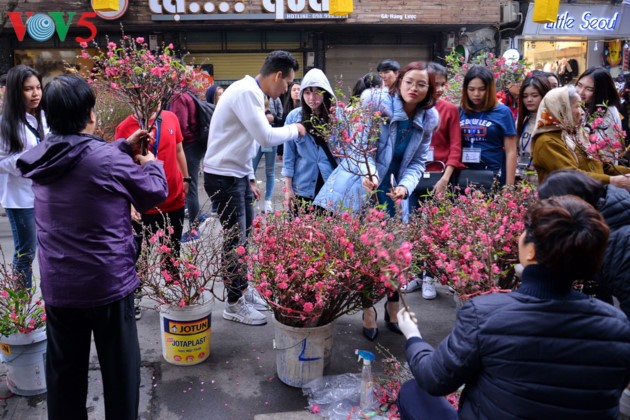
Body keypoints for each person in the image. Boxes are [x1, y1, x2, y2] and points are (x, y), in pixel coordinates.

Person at [396, 195, 630, 419]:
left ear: (531, 251)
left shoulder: (486, 313)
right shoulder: (617, 326)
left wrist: (413, 336)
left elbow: (434, 379)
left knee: (412, 392)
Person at [16, 74, 168, 420]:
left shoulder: (42, 156)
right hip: (107, 285)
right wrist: (150, 163)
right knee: (120, 375)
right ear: (90, 114)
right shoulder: (105, 159)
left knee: (64, 377)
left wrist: (121, 147)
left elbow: (81, 157)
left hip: (59, 286)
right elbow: (154, 193)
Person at [315, 61, 439, 340]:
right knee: (367, 252)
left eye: (422, 84)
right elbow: (362, 149)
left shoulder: (427, 120)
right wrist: (370, 174)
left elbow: (418, 162)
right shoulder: (378, 107)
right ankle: (368, 308)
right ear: (399, 83)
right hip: (364, 186)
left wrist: (406, 187)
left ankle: (392, 307)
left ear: (429, 90)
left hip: (393, 192)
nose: (414, 88)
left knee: (393, 252)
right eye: (409, 82)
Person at [203, 50, 306, 325]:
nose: (285, 89)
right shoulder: (247, 92)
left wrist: (249, 177)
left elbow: (245, 141)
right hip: (224, 178)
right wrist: (295, 129)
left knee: (244, 239)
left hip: (235, 175)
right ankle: (234, 303)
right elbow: (265, 137)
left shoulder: (250, 91)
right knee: (235, 242)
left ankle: (244, 292)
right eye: (287, 84)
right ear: (277, 75)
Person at [116, 109, 189, 319]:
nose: (153, 96)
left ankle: (173, 291)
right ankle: (135, 297)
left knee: (172, 250)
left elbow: (179, 150)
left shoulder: (171, 117)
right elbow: (120, 169)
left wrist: (186, 178)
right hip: (143, 203)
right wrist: (129, 202)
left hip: (173, 198)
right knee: (139, 254)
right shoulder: (125, 127)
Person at [404, 62, 464, 300]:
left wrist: (446, 179)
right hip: (414, 178)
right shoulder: (414, 108)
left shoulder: (449, 110)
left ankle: (431, 276)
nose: (438, 89)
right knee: (415, 228)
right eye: (434, 84)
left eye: (441, 84)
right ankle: (417, 275)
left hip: (439, 177)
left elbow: (455, 147)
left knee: (436, 229)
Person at [0, 65, 48, 288]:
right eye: (29, 89)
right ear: (16, 92)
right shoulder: (6, 123)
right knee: (25, 253)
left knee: (43, 251)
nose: (36, 93)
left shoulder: (42, 117)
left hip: (44, 194)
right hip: (20, 200)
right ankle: (21, 313)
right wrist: (30, 158)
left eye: (38, 87)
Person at [531, 86, 630, 187]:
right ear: (563, 110)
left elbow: (605, 166)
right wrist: (613, 180)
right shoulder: (547, 142)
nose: (582, 112)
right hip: (565, 201)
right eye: (577, 106)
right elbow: (571, 176)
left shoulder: (579, 135)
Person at [282, 68, 336, 212]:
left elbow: (345, 157)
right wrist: (288, 190)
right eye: (307, 92)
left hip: (330, 187)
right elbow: (289, 157)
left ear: (326, 93)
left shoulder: (338, 118)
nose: (312, 97)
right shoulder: (294, 117)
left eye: (317, 92)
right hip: (303, 187)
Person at [458, 65, 517, 187]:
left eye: (482, 89)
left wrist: (509, 186)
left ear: (490, 89)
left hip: (493, 175)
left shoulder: (503, 112)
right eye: (471, 89)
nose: (476, 94)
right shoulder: (459, 111)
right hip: (463, 176)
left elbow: (511, 151)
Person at [169, 89, 209, 243]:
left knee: (189, 187)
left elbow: (180, 126)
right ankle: (198, 216)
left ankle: (194, 230)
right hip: (197, 143)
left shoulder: (178, 96)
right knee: (190, 185)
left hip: (188, 145)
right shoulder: (191, 93)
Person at [576, 67, 623, 153]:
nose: (580, 92)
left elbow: (604, 152)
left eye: (589, 89)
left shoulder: (609, 113)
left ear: (601, 91)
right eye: (579, 85)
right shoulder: (585, 106)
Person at [515, 75, 551, 184]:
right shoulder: (522, 120)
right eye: (525, 96)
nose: (529, 100)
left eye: (534, 95)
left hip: (544, 181)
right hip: (522, 180)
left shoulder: (553, 122)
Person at [252, 94, 283, 214]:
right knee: (251, 171)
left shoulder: (274, 100)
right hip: (256, 141)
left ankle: (268, 201)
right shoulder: (252, 109)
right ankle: (252, 200)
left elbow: (280, 118)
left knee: (270, 171)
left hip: (270, 140)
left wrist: (273, 118)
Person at [205, 84, 224, 217]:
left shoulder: (225, 109)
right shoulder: (208, 110)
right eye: (219, 94)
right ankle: (215, 206)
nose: (222, 97)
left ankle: (219, 206)